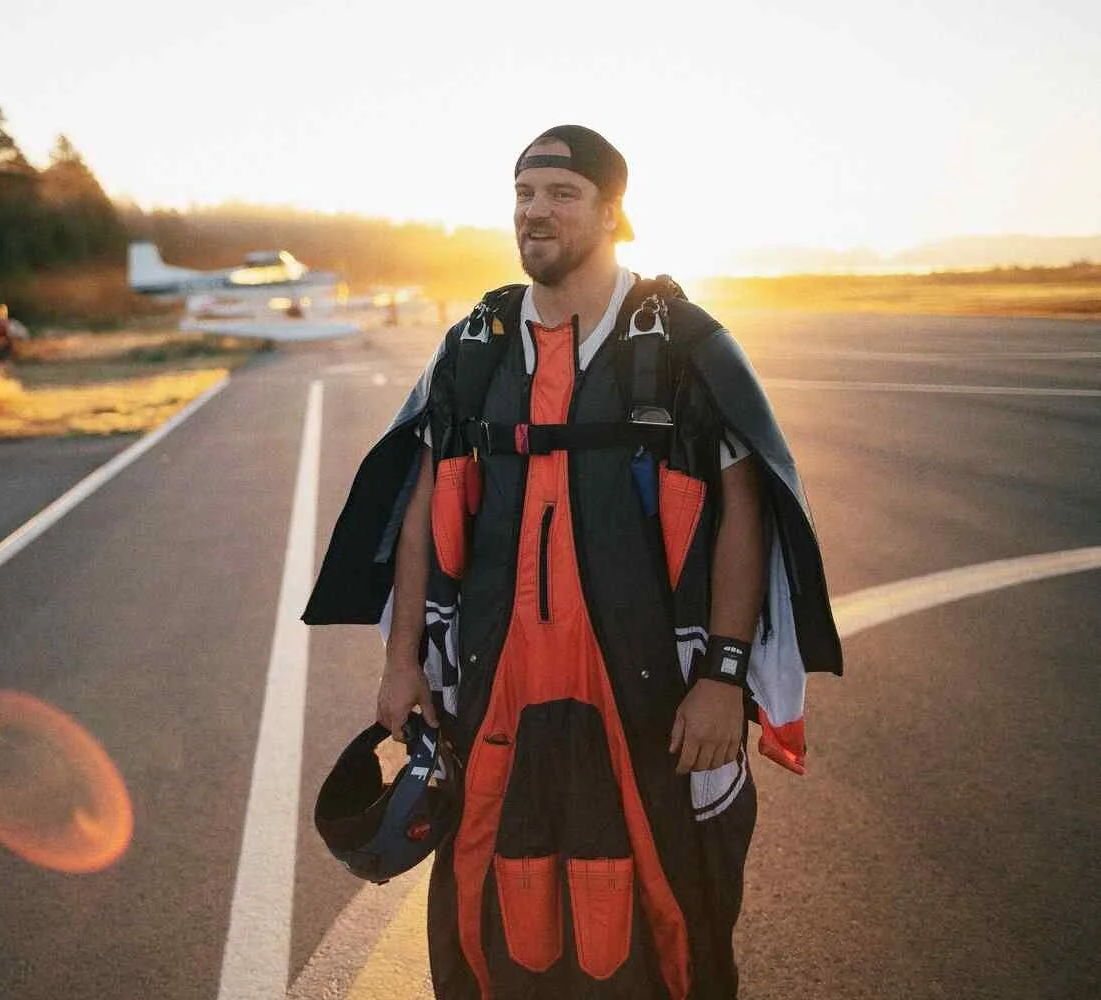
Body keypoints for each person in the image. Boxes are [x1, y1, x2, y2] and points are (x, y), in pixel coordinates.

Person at [305, 126, 842, 999]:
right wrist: (401, 661)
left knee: (669, 898)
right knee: (488, 894)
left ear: (612, 212)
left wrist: (724, 676)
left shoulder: (679, 346)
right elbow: (418, 511)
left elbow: (744, 510)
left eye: (561, 194)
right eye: (524, 195)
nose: (536, 212)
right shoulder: (472, 348)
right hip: (494, 684)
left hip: (648, 690)